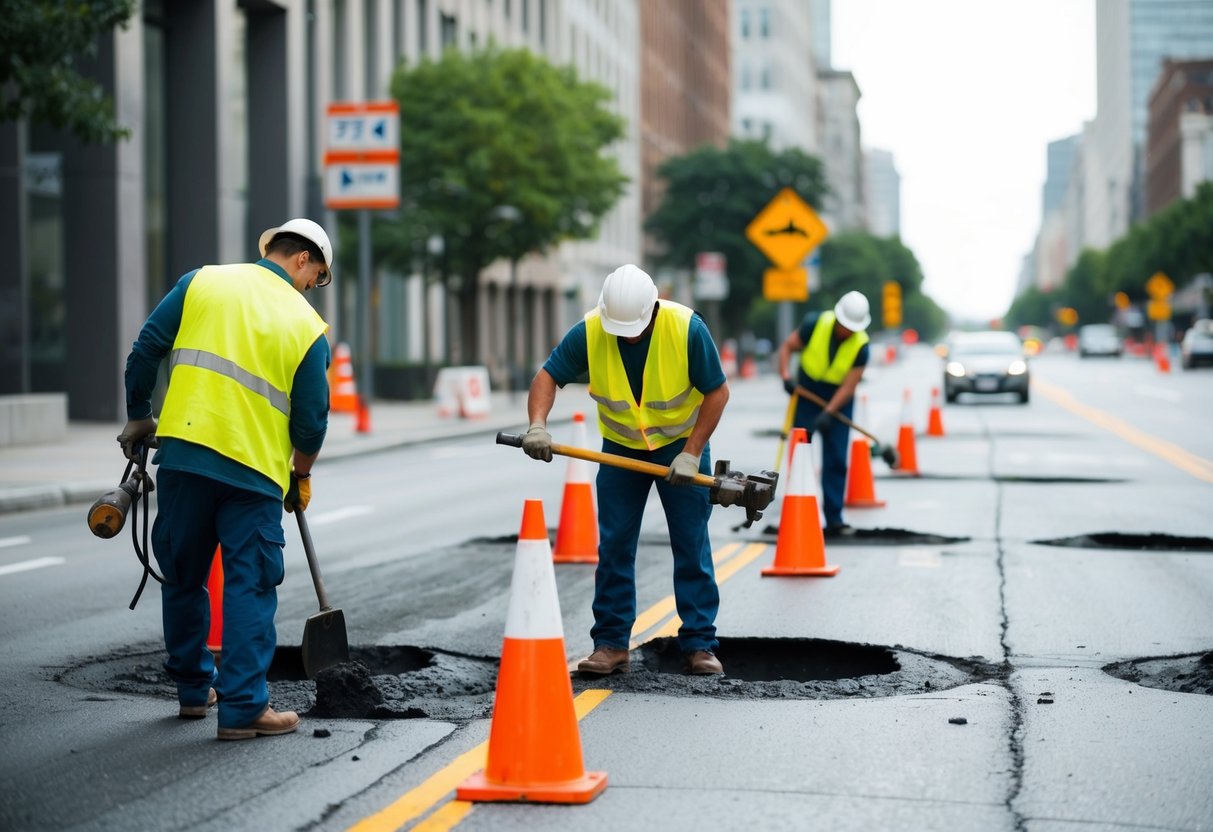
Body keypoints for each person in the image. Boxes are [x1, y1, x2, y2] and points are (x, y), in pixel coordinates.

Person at [118, 218, 334, 740]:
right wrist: (300, 474)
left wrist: (140, 414)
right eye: (317, 277)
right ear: (302, 259)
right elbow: (312, 421)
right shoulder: (306, 328)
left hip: (184, 458)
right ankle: (242, 709)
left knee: (184, 574)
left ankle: (194, 691)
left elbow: (146, 349)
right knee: (249, 584)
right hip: (253, 472)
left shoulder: (202, 282)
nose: (313, 289)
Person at [522, 264, 730, 676]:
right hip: (621, 450)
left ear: (653, 309)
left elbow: (717, 391)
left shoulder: (686, 328)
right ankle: (612, 644)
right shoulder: (592, 330)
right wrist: (537, 425)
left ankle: (699, 644)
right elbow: (548, 377)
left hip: (679, 448)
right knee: (615, 545)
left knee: (691, 544)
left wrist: (691, 452)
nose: (626, 335)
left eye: (633, 327)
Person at [776, 290, 872, 538]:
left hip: (838, 400)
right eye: (844, 326)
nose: (846, 331)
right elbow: (787, 347)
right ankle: (797, 510)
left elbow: (850, 385)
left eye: (852, 328)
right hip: (807, 393)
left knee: (837, 458)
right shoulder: (815, 323)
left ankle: (834, 518)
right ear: (838, 318)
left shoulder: (861, 346)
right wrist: (786, 377)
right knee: (800, 454)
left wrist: (829, 413)